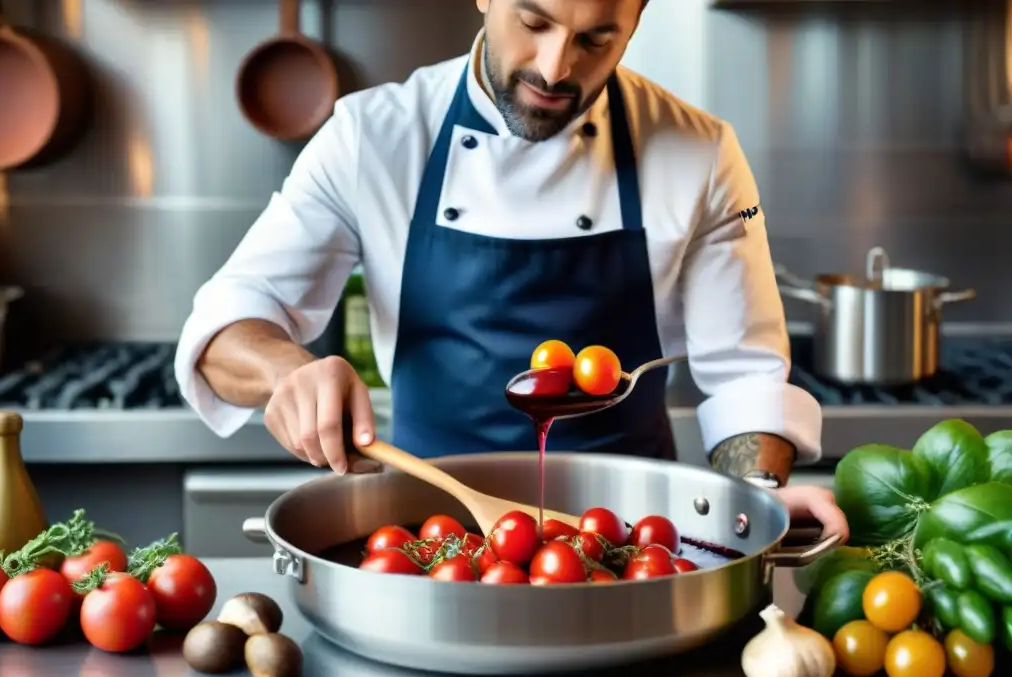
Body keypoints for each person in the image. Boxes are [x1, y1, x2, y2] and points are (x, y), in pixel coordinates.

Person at [174, 0, 849, 543]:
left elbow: (744, 376)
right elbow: (226, 324)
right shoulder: (372, 137)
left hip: (629, 542)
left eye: (596, 39)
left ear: (639, 19)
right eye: (533, 21)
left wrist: (757, 498)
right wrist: (287, 373)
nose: (555, 68)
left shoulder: (699, 153)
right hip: (424, 536)